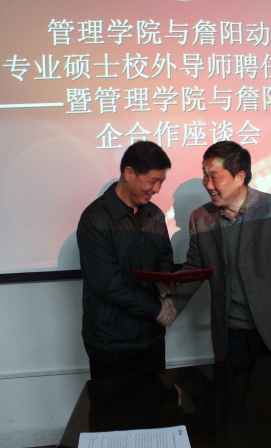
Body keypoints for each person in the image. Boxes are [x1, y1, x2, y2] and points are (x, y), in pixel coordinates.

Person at [174, 141, 271, 362]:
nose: (208, 185)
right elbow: (195, 268)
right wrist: (169, 297)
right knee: (231, 385)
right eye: (205, 176)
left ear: (239, 177)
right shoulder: (201, 218)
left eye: (214, 177)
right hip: (229, 333)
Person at [77, 141, 177, 379]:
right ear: (129, 173)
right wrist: (156, 309)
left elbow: (164, 255)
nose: (157, 189)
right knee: (114, 403)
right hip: (111, 342)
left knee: (156, 400)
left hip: (152, 336)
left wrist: (165, 282)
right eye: (153, 181)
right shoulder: (95, 219)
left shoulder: (154, 215)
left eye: (161, 182)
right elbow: (108, 283)